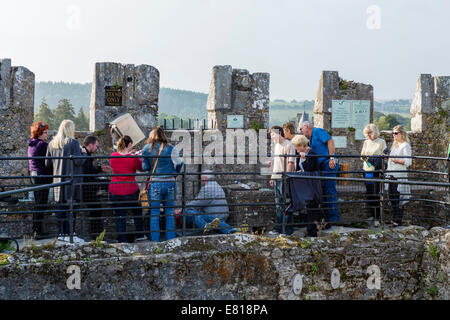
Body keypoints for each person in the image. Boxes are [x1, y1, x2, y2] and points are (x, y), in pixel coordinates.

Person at [45, 120, 86, 243]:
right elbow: (78, 161)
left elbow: (47, 163)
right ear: (70, 129)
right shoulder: (73, 143)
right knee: (71, 209)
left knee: (60, 208)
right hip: (71, 181)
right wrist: (84, 154)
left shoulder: (52, 143)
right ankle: (70, 234)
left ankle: (61, 234)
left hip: (58, 181)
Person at [142, 127, 183, 242]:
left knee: (154, 213)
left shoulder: (146, 149)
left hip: (155, 183)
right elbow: (180, 162)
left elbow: (144, 167)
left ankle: (155, 241)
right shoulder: (170, 148)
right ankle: (171, 240)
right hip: (170, 182)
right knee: (169, 212)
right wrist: (175, 174)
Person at [300, 121, 339, 222]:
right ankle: (327, 218)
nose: (300, 131)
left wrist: (332, 157)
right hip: (322, 166)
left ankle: (333, 218)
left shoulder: (317, 131)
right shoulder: (311, 138)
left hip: (328, 164)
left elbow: (330, 141)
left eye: (301, 129)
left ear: (307, 127)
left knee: (329, 190)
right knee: (324, 191)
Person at [108, 135, 145, 243]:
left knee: (120, 216)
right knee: (137, 212)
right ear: (129, 144)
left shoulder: (113, 156)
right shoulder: (133, 158)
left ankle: (122, 239)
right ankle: (140, 235)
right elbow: (142, 168)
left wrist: (131, 154)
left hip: (115, 189)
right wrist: (138, 156)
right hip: (130, 189)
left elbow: (120, 162)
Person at [291, 134, 322, 236]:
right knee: (309, 205)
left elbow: (309, 168)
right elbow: (304, 169)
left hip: (312, 182)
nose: (296, 149)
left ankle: (313, 231)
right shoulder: (303, 153)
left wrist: (304, 160)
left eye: (296, 146)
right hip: (307, 181)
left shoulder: (311, 153)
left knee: (312, 205)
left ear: (302, 145)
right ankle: (311, 229)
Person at [81, 135, 111, 239]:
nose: (97, 148)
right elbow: (87, 175)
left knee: (96, 210)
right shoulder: (84, 156)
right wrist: (98, 184)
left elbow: (90, 172)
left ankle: (97, 234)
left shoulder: (86, 155)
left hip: (88, 187)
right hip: (87, 189)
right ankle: (96, 235)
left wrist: (99, 168)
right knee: (96, 210)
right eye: (96, 146)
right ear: (90, 145)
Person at [268, 126, 296, 235]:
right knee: (278, 205)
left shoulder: (289, 145)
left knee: (287, 204)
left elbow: (291, 163)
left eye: (273, 134)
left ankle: (288, 231)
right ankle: (278, 229)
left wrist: (286, 177)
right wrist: (272, 177)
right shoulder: (276, 146)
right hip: (276, 178)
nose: (271, 137)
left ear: (279, 133)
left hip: (285, 179)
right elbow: (275, 163)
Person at [28, 121, 52, 239]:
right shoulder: (42, 145)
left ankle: (37, 230)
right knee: (41, 204)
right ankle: (38, 231)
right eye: (45, 133)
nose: (47, 135)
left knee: (39, 203)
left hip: (35, 175)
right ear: (39, 133)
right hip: (42, 176)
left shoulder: (32, 144)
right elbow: (50, 158)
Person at [386, 125, 412, 227]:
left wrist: (396, 160)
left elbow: (408, 161)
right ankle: (394, 219)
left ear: (402, 134)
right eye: (393, 133)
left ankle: (398, 220)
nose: (394, 135)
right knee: (392, 198)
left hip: (399, 175)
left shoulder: (405, 146)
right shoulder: (395, 145)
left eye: (396, 133)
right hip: (391, 174)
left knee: (398, 198)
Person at [360, 124, 386, 224]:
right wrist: (366, 158)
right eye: (366, 133)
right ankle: (372, 215)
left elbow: (385, 155)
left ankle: (377, 217)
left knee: (377, 193)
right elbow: (361, 156)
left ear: (374, 132)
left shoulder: (381, 142)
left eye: (369, 133)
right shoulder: (366, 142)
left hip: (376, 170)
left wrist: (376, 158)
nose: (368, 135)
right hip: (367, 169)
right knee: (369, 193)